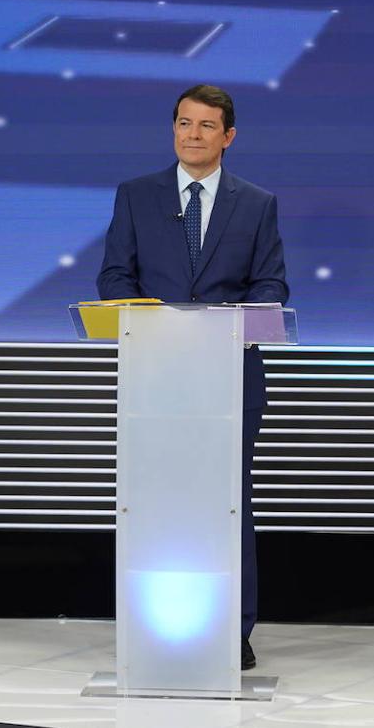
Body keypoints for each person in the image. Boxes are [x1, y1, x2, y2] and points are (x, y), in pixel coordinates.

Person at [97, 84, 289, 670]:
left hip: (228, 380)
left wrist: (225, 325)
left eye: (206, 125)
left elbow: (272, 285)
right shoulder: (136, 196)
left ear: (228, 136)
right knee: (156, 500)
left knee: (229, 501)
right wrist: (156, 324)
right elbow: (114, 277)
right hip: (155, 379)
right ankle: (152, 626)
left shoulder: (256, 203)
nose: (192, 134)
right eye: (184, 123)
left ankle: (233, 630)